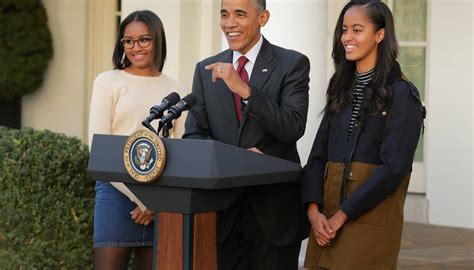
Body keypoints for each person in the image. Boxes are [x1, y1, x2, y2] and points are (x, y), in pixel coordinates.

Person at [183, 0, 310, 269]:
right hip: (224, 214)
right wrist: (235, 160)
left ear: (262, 18)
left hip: (274, 213)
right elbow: (194, 136)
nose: (229, 23)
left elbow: (293, 127)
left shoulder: (292, 64)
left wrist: (245, 91)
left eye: (240, 14)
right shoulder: (205, 70)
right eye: (224, 14)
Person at [301, 0, 425, 269]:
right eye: (344, 30)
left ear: (380, 35)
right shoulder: (340, 87)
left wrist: (342, 215)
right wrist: (313, 210)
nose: (347, 37)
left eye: (357, 30)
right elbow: (317, 155)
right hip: (327, 212)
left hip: (369, 216)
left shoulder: (402, 94)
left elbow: (395, 167)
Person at [88, 10, 188, 269]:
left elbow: (180, 151)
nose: (135, 47)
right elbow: (98, 150)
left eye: (144, 39)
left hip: (161, 201)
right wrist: (142, 200)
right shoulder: (107, 82)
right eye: (128, 41)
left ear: (157, 40)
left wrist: (155, 202)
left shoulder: (177, 90)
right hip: (115, 191)